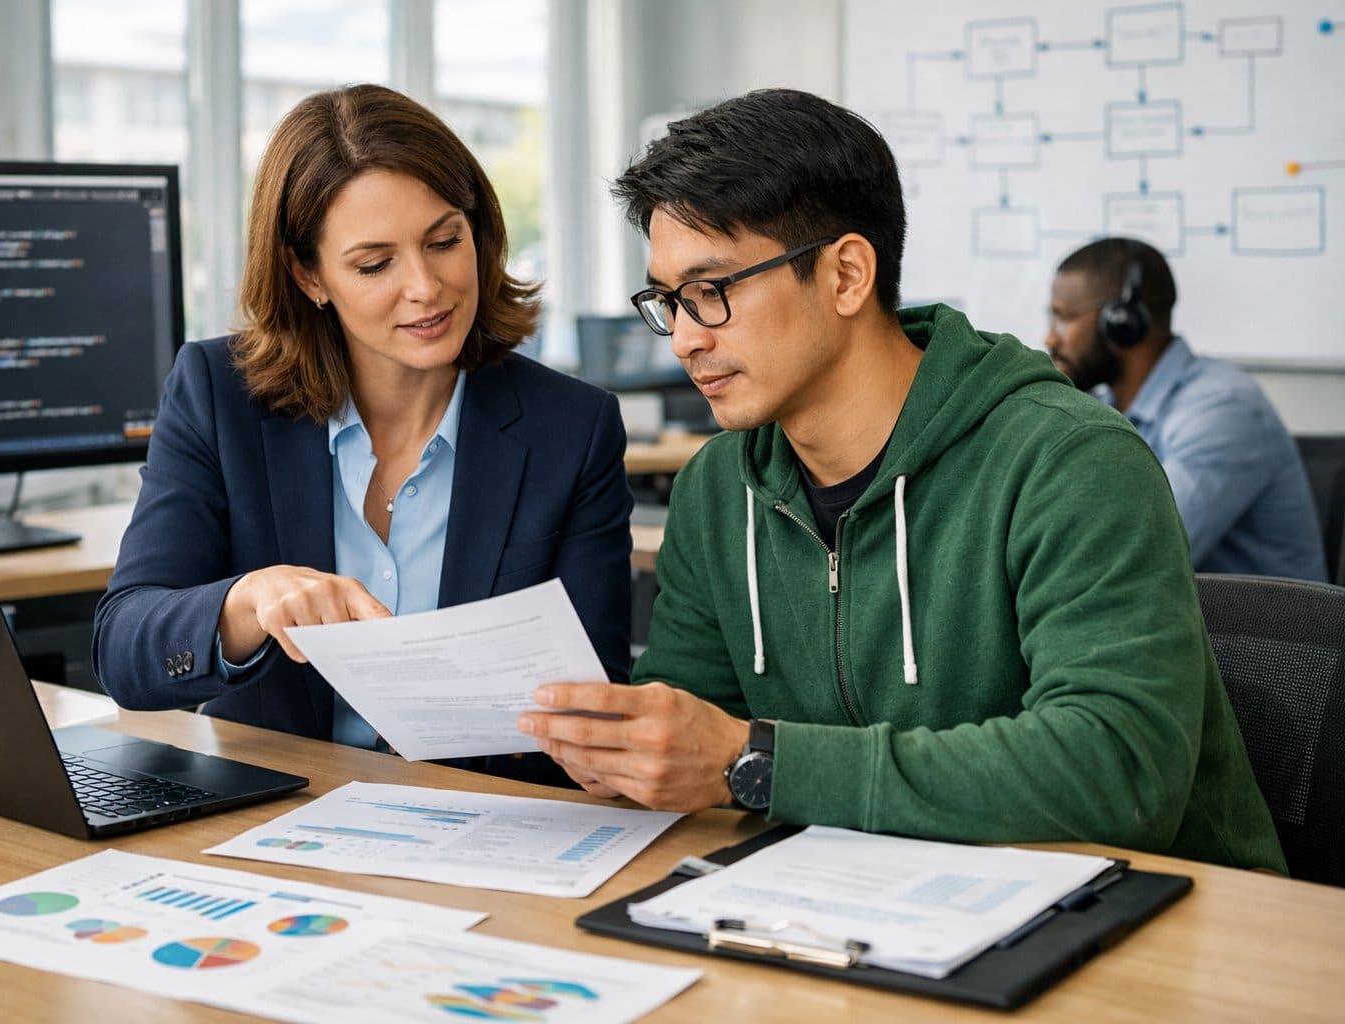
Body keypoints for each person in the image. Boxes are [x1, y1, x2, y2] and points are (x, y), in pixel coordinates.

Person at [517, 89, 1285, 872]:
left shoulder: (1071, 460)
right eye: (669, 301)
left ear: (847, 274)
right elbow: (698, 727)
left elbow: (1120, 770)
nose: (682, 338)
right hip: (874, 897)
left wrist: (760, 763)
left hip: (1161, 922)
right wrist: (625, 752)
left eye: (712, 293)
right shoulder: (719, 487)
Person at [94, 85, 633, 784]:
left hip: (485, 824)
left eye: (445, 241)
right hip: (279, 821)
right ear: (307, 273)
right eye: (375, 264)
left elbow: (597, 705)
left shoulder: (574, 427)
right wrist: (245, 604)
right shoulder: (217, 395)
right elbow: (125, 652)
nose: (426, 287)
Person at [1046, 238, 1326, 581]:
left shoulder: (1223, 410)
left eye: (1065, 318)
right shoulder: (1103, 408)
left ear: (1121, 321)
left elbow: (1134, 550)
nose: (1050, 339)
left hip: (1256, 631)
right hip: (1175, 621)